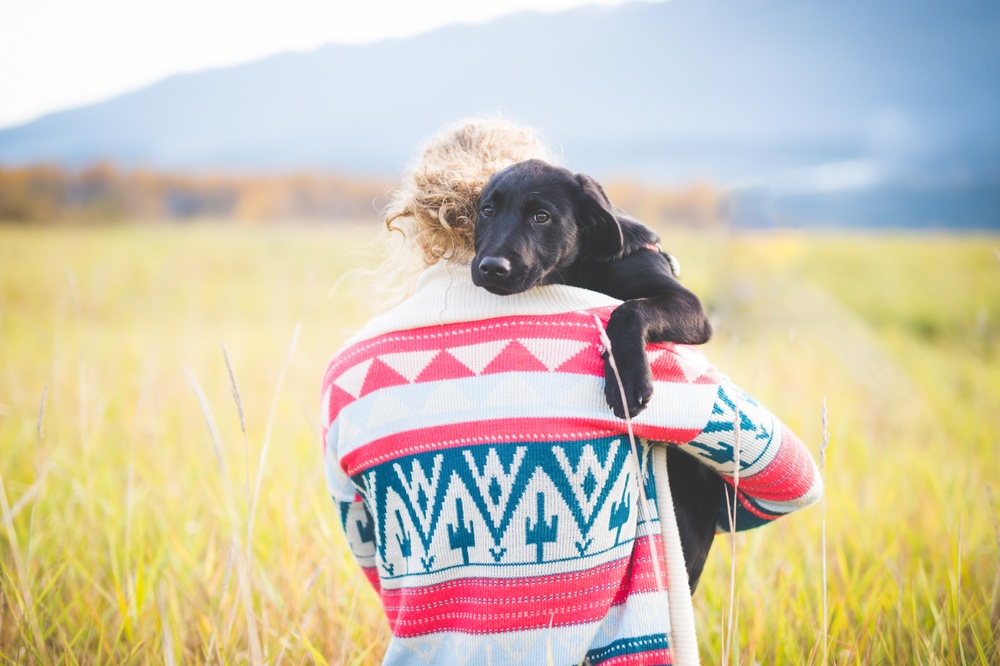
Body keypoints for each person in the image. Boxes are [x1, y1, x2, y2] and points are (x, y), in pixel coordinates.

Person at [320, 118, 822, 665]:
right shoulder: (629, 355)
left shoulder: (351, 375)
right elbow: (791, 481)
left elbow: (377, 557)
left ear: (415, 217)